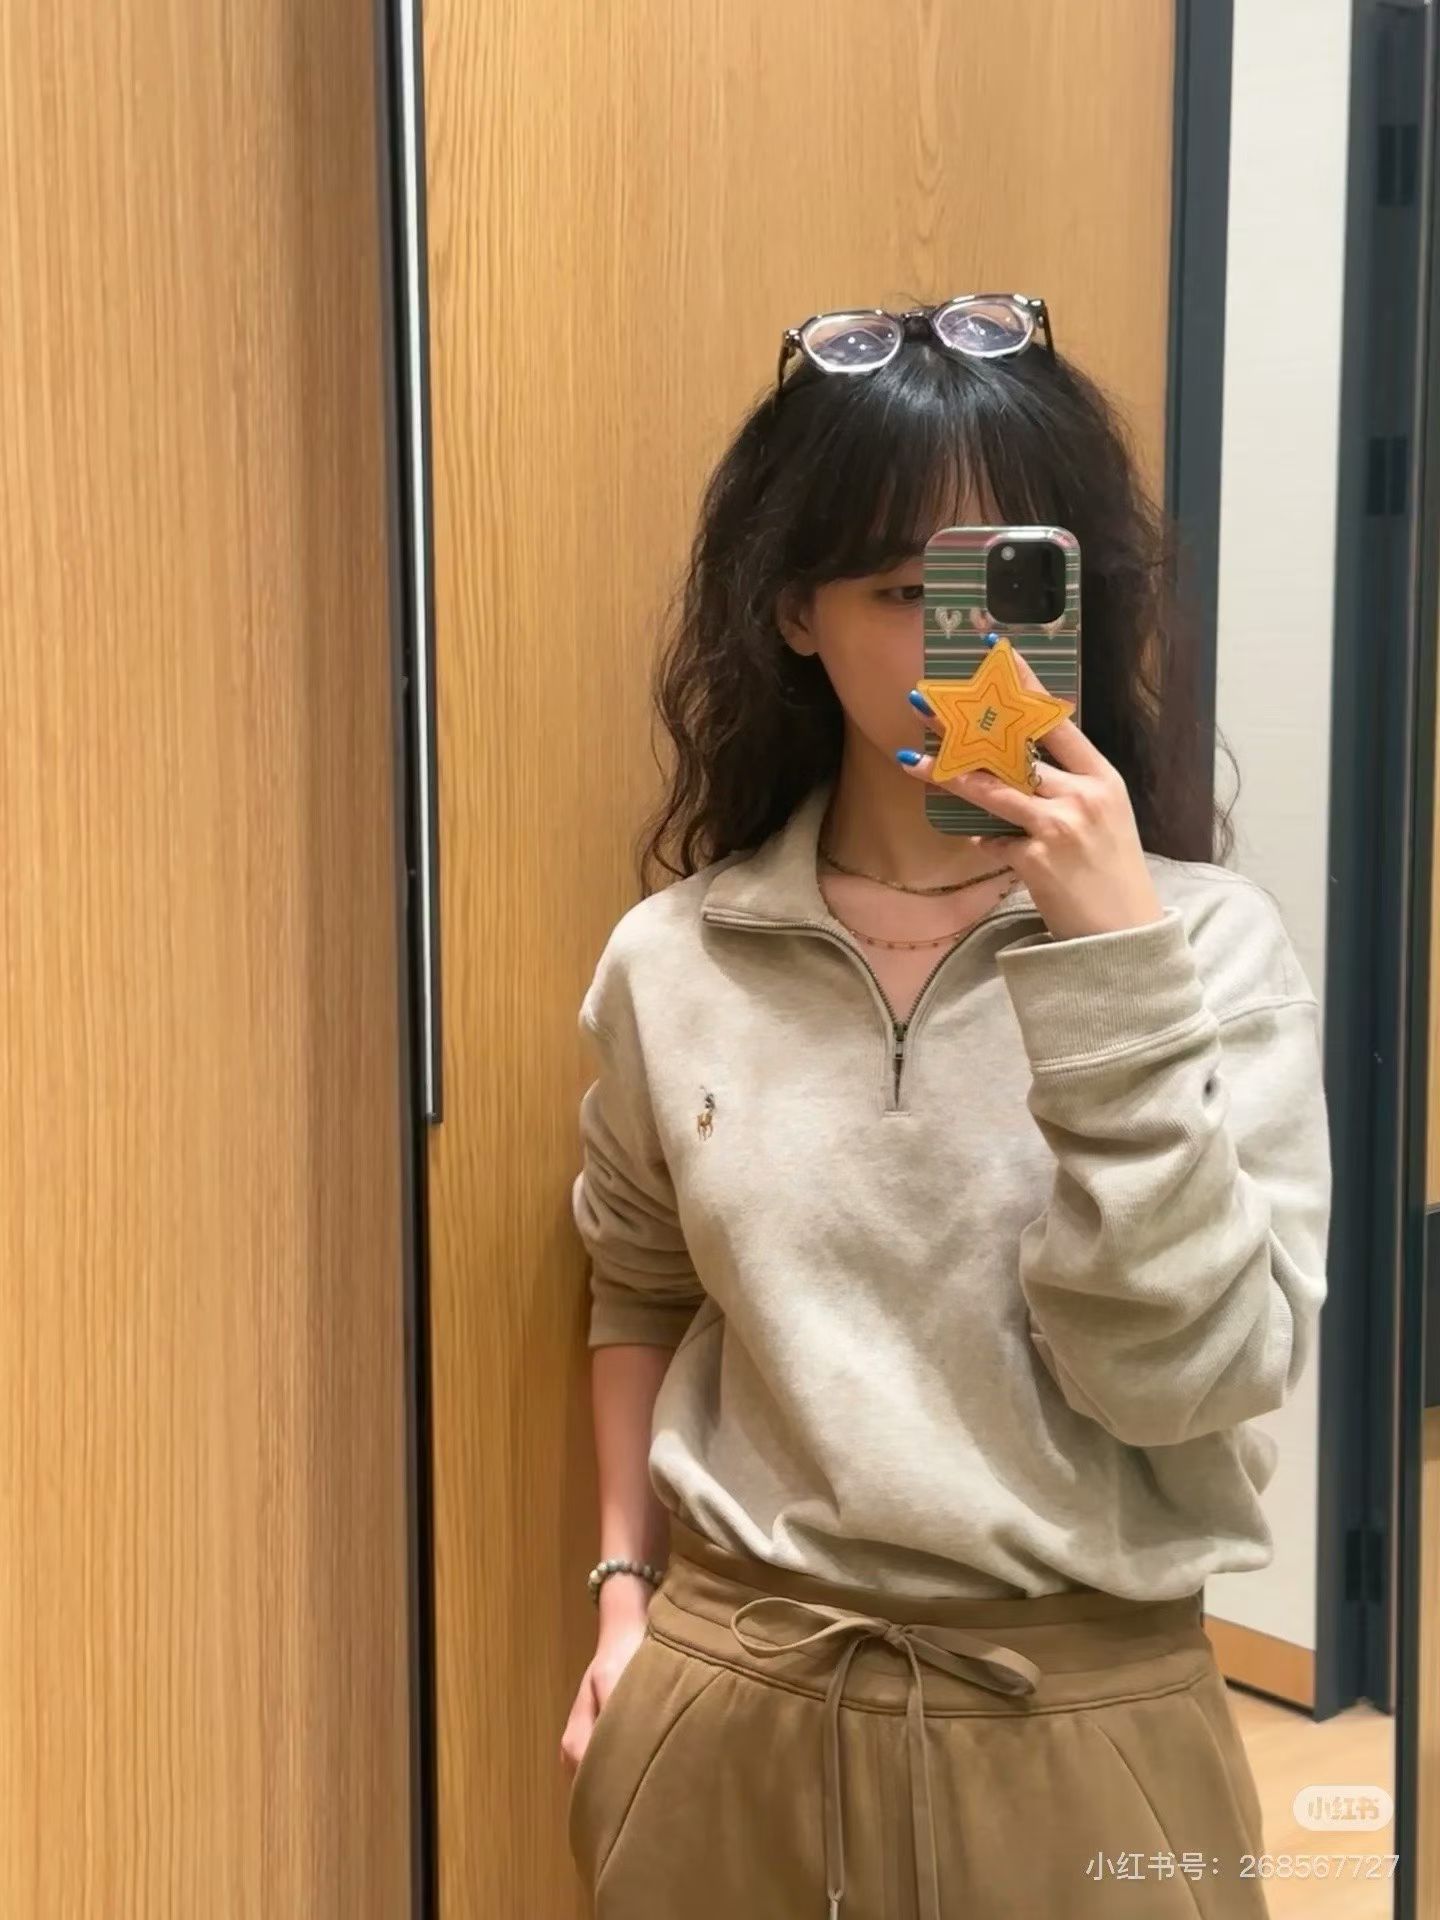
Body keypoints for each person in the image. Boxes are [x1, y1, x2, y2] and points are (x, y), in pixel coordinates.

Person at [561, 294, 1331, 1919]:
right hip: (730, 1705)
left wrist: (1112, 975)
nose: (966, 646)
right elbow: (634, 1280)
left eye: (1015, 584)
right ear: (795, 611)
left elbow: (1190, 1384)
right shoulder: (675, 959)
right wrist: (624, 1600)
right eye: (908, 590)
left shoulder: (1208, 950)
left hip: (1081, 1725)